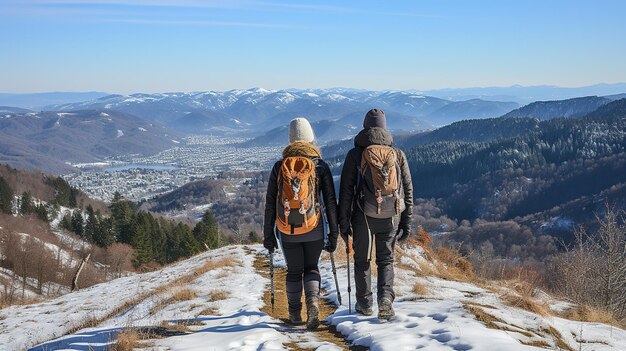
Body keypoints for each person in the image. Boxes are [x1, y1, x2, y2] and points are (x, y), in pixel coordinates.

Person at [263, 117, 339, 329]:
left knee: (294, 270)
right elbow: (330, 201)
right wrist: (334, 232)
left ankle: (295, 314)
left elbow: (270, 203)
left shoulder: (280, 167)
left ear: (290, 140)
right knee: (311, 267)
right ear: (311, 138)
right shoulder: (319, 166)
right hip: (314, 227)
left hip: (287, 229)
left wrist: (268, 235)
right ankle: (313, 304)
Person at [338, 108, 413, 320]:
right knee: (386, 260)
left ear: (364, 128)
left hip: (363, 215)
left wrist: (343, 224)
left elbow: (346, 191)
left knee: (362, 260)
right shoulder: (397, 155)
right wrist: (406, 221)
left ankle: (364, 304)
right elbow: (407, 190)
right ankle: (386, 300)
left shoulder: (355, 155)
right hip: (391, 215)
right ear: (384, 128)